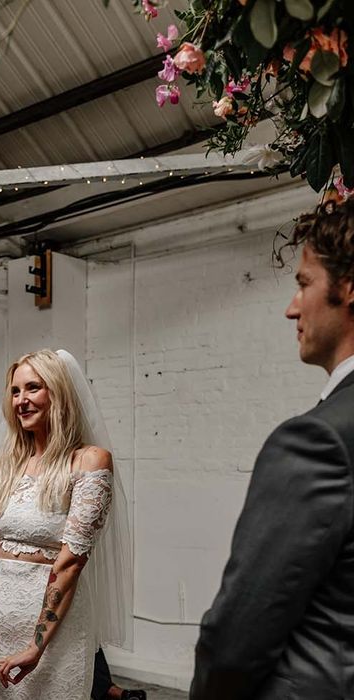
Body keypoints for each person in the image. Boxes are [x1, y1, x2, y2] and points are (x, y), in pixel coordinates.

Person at [190, 202, 354, 699]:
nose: (291, 307)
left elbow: (239, 635)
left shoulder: (319, 441)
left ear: (348, 288)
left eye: (304, 284)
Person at [0, 349, 132, 699]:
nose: (21, 400)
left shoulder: (90, 462)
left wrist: (37, 647)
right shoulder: (2, 468)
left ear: (58, 393)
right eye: (15, 391)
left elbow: (70, 563)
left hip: (56, 633)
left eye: (33, 388)